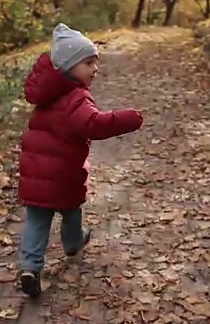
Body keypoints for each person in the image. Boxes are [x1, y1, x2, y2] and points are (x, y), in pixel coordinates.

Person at [17, 23, 143, 298]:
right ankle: (73, 244)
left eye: (94, 63)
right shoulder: (75, 99)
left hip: (35, 175)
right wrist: (128, 118)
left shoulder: (48, 96)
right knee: (71, 212)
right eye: (88, 63)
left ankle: (29, 267)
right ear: (68, 66)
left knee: (37, 222)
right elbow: (93, 125)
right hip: (63, 176)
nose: (94, 69)